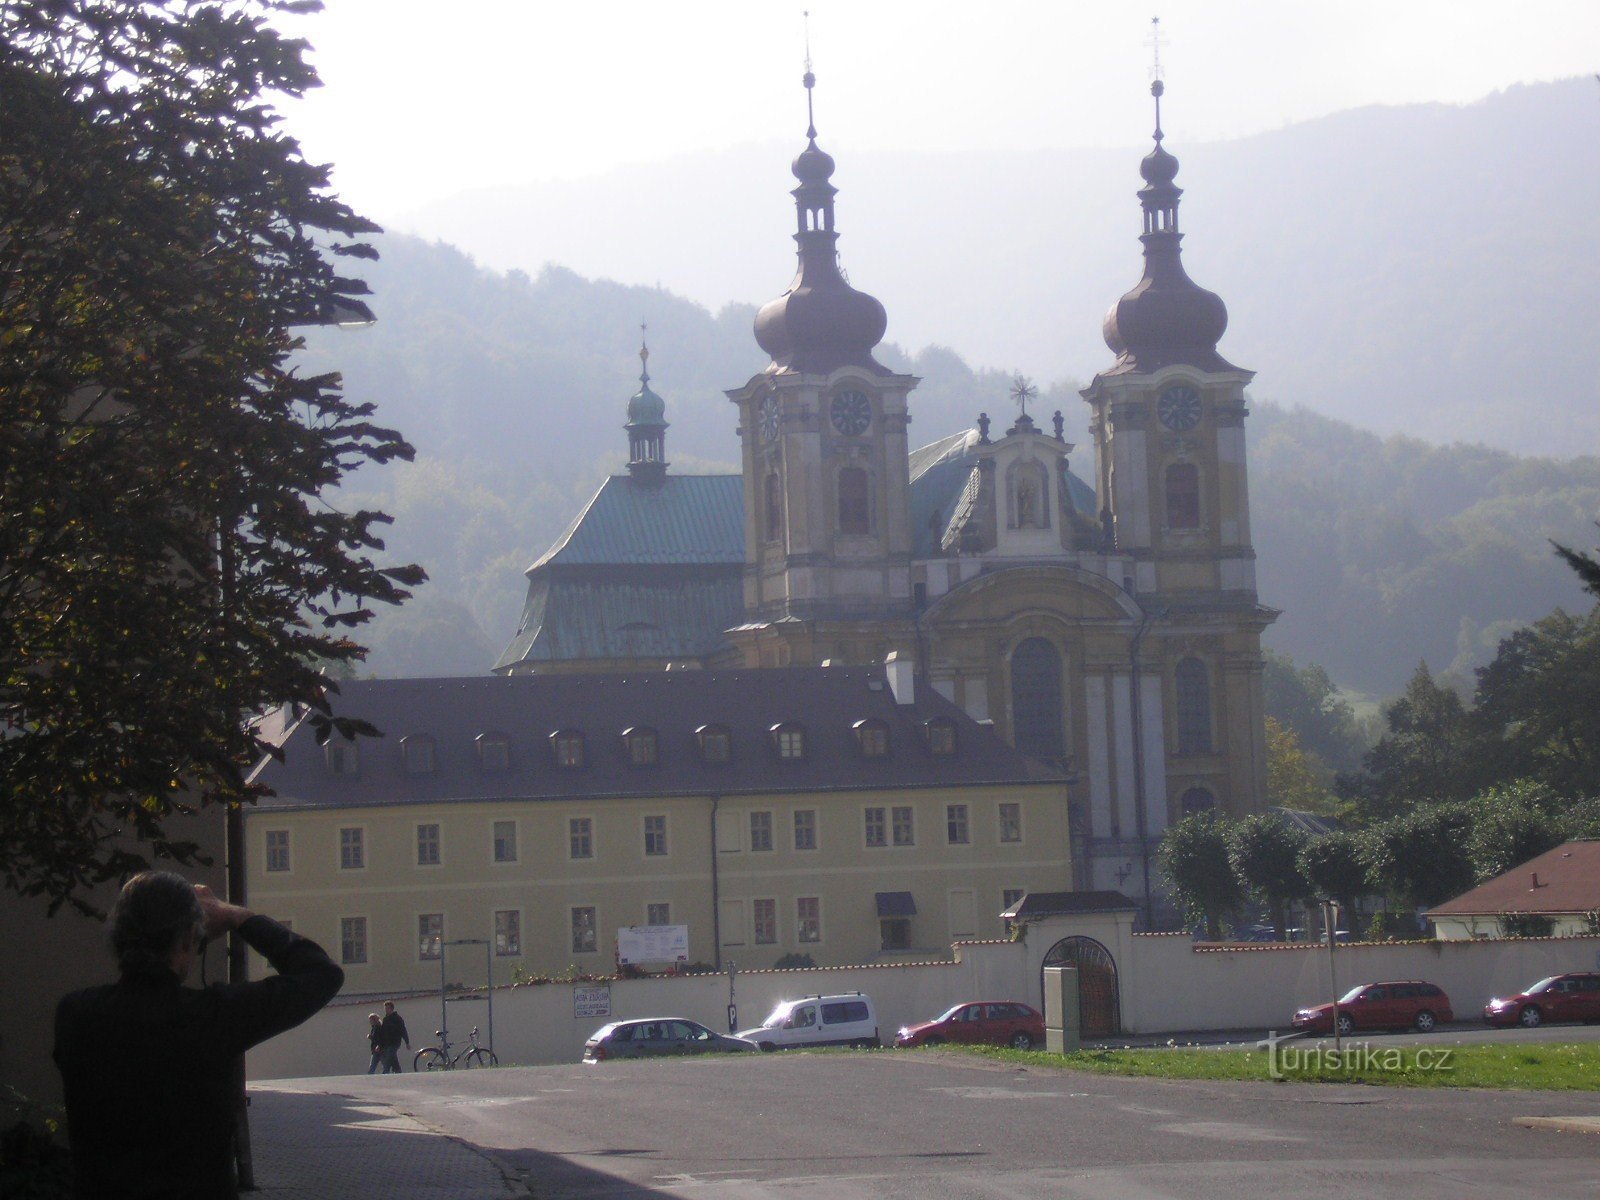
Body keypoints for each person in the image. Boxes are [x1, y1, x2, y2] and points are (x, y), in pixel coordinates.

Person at [53, 871, 343, 1199]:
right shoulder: (214, 1017)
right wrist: (238, 916)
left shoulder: (75, 1015)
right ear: (191, 938)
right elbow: (321, 974)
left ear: (118, 936)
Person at [378, 999, 409, 1073]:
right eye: (385, 1008)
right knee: (393, 1058)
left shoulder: (397, 1018)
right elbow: (382, 1032)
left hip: (395, 1042)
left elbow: (403, 1030)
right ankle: (398, 1071)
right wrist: (379, 1044)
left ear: (391, 1008)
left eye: (387, 1008)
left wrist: (407, 1042)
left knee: (389, 1056)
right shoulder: (385, 1019)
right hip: (386, 1043)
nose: (386, 1010)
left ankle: (385, 1072)